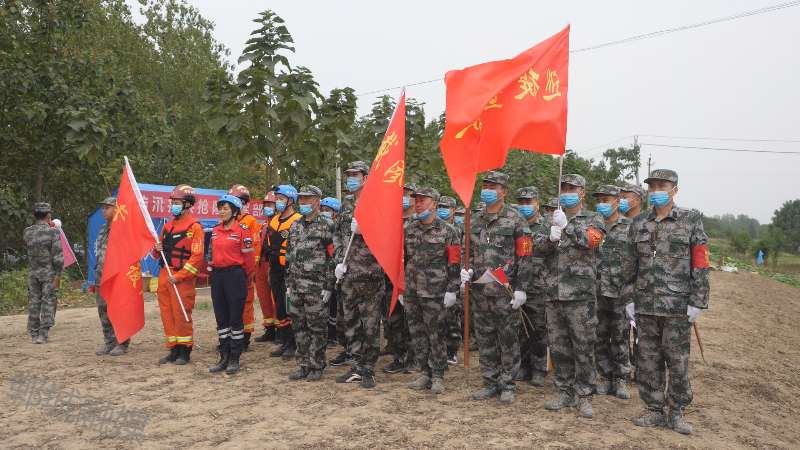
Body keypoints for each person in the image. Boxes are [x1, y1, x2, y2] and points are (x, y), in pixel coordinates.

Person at [626, 169, 710, 435]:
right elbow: (629, 264)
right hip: (645, 305)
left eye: (662, 186)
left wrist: (698, 301)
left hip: (677, 306)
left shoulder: (690, 219)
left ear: (675, 189)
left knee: (677, 361)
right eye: (652, 186)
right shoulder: (639, 223)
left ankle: (676, 411)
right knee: (647, 359)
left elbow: (700, 261)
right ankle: (654, 409)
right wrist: (628, 298)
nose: (656, 191)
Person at [460, 171, 533, 404]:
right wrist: (466, 270)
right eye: (485, 186)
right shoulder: (475, 219)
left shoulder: (516, 219)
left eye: (493, 186)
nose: (488, 190)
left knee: (508, 339)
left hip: (505, 292)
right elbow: (466, 251)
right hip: (480, 292)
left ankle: (508, 384)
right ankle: (490, 382)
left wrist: (522, 288)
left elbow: (525, 255)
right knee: (485, 339)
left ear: (504, 191)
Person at [537, 174, 605, 419]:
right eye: (563, 188)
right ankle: (564, 391)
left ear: (582, 192)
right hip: (554, 294)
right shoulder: (550, 219)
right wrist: (550, 238)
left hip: (580, 296)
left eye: (571, 189)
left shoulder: (594, 218)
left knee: (583, 346)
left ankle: (584, 395)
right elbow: (535, 249)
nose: (566, 192)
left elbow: (592, 241)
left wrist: (568, 226)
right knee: (559, 347)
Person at [333, 160, 385, 389]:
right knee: (351, 323)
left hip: (370, 274)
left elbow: (387, 235)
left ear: (366, 178)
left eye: (355, 174)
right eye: (349, 175)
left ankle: (368, 369)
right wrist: (339, 261)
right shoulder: (346, 204)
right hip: (348, 275)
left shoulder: (378, 202)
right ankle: (355, 365)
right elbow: (337, 234)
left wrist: (368, 230)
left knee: (370, 326)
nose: (351, 178)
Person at [404, 187, 461, 394]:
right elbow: (404, 259)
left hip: (436, 292)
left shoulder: (448, 231)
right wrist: (402, 288)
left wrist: (452, 289)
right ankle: (425, 372)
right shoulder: (410, 229)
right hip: (413, 291)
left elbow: (454, 262)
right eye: (416, 200)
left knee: (436, 335)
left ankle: (438, 375)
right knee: (417, 334)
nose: (418, 204)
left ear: (434, 204)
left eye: (423, 200)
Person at [285, 185, 336, 381]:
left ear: (317, 201)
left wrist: (329, 285)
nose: (303, 202)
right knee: (299, 327)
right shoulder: (295, 225)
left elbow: (333, 257)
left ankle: (317, 365)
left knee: (317, 328)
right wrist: (288, 283)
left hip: (316, 287)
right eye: (301, 199)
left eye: (307, 198)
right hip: (296, 286)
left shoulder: (328, 225)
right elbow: (289, 255)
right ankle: (303, 364)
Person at [153, 184, 205, 365]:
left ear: (187, 204)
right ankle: (173, 349)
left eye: (177, 202)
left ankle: (185, 351)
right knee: (167, 314)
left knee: (181, 314)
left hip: (182, 279)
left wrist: (180, 276)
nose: (173, 206)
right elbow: (157, 253)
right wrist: (157, 248)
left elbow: (197, 257)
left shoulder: (195, 227)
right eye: (172, 202)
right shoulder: (167, 227)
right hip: (165, 275)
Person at [591, 185, 633, 399]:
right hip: (596, 291)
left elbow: (637, 259)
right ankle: (605, 376)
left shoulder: (630, 227)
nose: (602, 204)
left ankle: (621, 378)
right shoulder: (593, 225)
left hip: (620, 292)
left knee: (620, 336)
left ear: (617, 201)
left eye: (606, 200)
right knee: (599, 336)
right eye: (599, 200)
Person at [207, 195, 256, 375]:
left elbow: (249, 259)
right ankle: (224, 356)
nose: (221, 211)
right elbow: (210, 254)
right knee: (221, 318)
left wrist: (246, 277)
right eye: (220, 208)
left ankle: (235, 357)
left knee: (235, 318)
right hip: (218, 276)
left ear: (234, 212)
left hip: (235, 276)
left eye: (225, 208)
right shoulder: (215, 231)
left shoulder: (242, 230)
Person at [382, 181, 418, 375]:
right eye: (401, 194)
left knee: (413, 322)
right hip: (390, 280)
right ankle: (398, 357)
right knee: (394, 321)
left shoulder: (419, 223)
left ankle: (414, 358)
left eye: (408, 194)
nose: (403, 198)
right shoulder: (390, 222)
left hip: (413, 281)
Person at [515, 186, 550, 387]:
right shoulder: (515, 226)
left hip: (538, 286)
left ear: (537, 203)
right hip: (517, 285)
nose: (524, 206)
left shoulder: (546, 227)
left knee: (538, 329)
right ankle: (523, 365)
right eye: (521, 202)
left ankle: (539, 368)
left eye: (528, 202)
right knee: (520, 329)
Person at [264, 184, 303, 359]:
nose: (278, 202)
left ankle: (294, 344)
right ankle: (285, 341)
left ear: (291, 200)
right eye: (277, 199)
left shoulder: (298, 220)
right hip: (275, 270)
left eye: (281, 199)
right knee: (279, 307)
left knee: (290, 307)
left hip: (290, 270)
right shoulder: (273, 221)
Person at [227, 184, 262, 351]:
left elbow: (255, 247)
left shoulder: (250, 221)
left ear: (244, 202)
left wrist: (250, 270)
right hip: (229, 270)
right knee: (229, 304)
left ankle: (245, 338)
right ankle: (230, 336)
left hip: (243, 271)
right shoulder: (227, 221)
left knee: (246, 304)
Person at [94, 196, 130, 356]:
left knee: (119, 310)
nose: (104, 211)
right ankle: (109, 342)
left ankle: (122, 343)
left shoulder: (122, 229)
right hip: (101, 276)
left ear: (117, 209)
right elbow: (99, 252)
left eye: (107, 207)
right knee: (103, 310)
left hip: (117, 277)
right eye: (103, 208)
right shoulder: (103, 228)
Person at [24, 202, 64, 344]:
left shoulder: (27, 232)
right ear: (48, 216)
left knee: (34, 301)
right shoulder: (53, 232)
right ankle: (43, 334)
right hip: (48, 273)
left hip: (33, 273)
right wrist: (58, 275)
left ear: (35, 216)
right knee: (48, 301)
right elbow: (58, 256)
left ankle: (34, 334)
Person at [437, 195, 462, 365]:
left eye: (446, 207)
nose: (442, 210)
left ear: (453, 210)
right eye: (440, 206)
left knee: (452, 316)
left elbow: (460, 254)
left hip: (453, 277)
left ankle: (452, 350)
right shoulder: (435, 227)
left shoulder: (458, 230)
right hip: (436, 278)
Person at [255, 191, 277, 343]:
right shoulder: (263, 225)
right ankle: (269, 328)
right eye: (266, 205)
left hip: (273, 263)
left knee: (276, 298)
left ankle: (281, 329)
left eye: (270, 204)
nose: (267, 207)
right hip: (260, 264)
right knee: (263, 298)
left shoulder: (280, 224)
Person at [320, 196, 342, 347]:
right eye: (322, 209)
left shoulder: (336, 229)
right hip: (321, 273)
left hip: (334, 273)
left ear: (335, 213)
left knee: (334, 304)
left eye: (327, 210)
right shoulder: (320, 228)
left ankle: (333, 335)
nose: (324, 212)